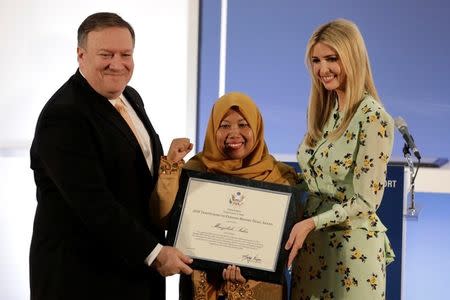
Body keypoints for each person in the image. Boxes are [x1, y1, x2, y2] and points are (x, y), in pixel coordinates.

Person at [29, 12, 193, 300]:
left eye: (125, 54)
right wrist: (155, 254)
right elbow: (93, 204)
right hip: (84, 280)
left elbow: (131, 176)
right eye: (106, 54)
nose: (117, 64)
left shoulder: (130, 96)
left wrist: (168, 164)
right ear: (81, 55)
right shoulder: (64, 115)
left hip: (132, 275)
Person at [284, 19, 395, 299]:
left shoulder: (373, 117)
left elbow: (367, 201)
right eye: (316, 60)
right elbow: (312, 182)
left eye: (332, 58)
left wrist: (312, 223)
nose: (322, 69)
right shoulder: (324, 112)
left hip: (351, 255)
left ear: (352, 56)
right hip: (311, 251)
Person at [150, 92, 298, 300]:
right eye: (224, 125)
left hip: (260, 290)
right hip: (200, 286)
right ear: (212, 129)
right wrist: (171, 167)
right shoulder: (195, 171)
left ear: (256, 127)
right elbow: (162, 217)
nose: (234, 133)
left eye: (243, 124)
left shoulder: (282, 178)